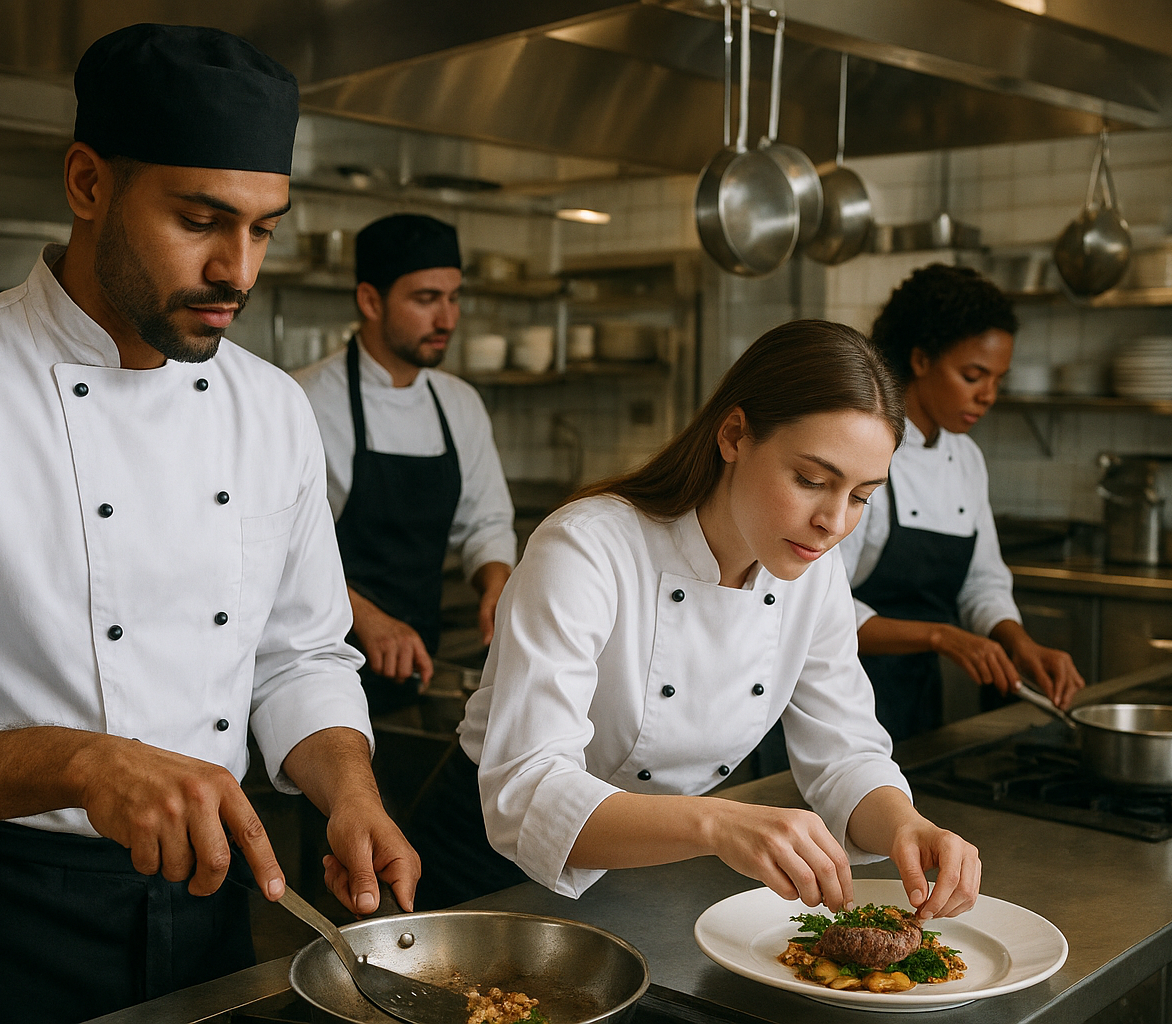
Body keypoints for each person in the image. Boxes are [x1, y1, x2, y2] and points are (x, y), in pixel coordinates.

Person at [0, 25, 417, 1024]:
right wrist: (82, 763)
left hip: (215, 911)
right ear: (88, 184)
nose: (239, 270)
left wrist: (348, 788)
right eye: (201, 219)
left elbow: (299, 653)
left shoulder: (270, 410)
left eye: (264, 228)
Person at [408, 319, 980, 917]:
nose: (834, 522)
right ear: (734, 435)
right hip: (482, 873)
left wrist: (904, 827)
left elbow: (846, 753)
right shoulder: (588, 547)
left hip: (645, 870)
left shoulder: (817, 571)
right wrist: (718, 823)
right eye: (812, 480)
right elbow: (528, 790)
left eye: (861, 496)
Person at [839, 264, 1085, 742]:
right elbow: (818, 605)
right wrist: (939, 635)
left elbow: (981, 581)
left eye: (998, 379)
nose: (988, 394)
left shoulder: (966, 459)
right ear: (920, 359)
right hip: (835, 692)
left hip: (913, 696)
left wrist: (1019, 643)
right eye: (973, 375)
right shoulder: (864, 449)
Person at [292, 214, 516, 714]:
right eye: (425, 299)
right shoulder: (302, 402)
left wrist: (496, 584)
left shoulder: (459, 403)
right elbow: (282, 554)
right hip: (315, 671)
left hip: (418, 664)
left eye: (454, 298)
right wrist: (365, 617)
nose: (448, 320)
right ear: (370, 301)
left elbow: (487, 522)